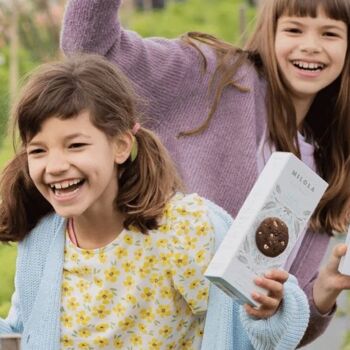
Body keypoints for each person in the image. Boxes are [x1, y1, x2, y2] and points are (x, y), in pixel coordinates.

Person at [60, 0, 350, 346]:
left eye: (330, 33)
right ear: (269, 32)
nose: (311, 46)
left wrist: (324, 290)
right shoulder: (212, 76)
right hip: (137, 329)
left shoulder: (327, 165)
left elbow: (276, 334)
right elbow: (90, 51)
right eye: (294, 29)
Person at [0, 54, 309, 349]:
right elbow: (27, 331)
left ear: (121, 146)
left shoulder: (185, 230)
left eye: (76, 145)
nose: (54, 166)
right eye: (38, 150)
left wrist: (268, 310)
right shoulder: (42, 241)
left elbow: (253, 330)